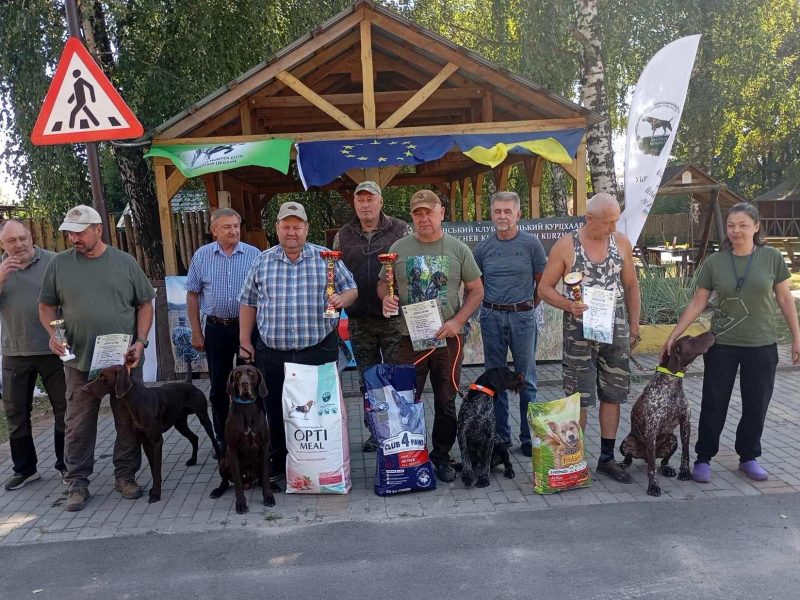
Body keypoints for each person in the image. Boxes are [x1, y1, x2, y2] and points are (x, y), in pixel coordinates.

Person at [662, 202, 800, 483]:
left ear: (756, 227)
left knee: (756, 404)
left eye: (743, 225)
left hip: (762, 344)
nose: (736, 230)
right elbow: (698, 302)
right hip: (722, 343)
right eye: (731, 225)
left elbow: (785, 299)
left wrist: (797, 337)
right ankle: (703, 458)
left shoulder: (771, 257)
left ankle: (748, 457)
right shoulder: (715, 262)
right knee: (714, 401)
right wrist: (675, 334)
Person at [39, 205, 155, 512]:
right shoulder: (59, 265)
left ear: (98, 230)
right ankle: (77, 482)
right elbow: (46, 306)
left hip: (123, 362)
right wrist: (53, 335)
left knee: (128, 420)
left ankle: (126, 476)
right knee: (77, 423)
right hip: (79, 362)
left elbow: (145, 304)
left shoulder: (125, 263)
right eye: (70, 233)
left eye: (79, 232)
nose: (74, 238)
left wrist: (141, 342)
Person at [239, 202, 357, 479]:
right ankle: (280, 464)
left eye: (297, 226)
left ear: (306, 228)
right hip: (272, 353)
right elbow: (248, 303)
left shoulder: (326, 258)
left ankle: (319, 464)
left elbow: (351, 288)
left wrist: (343, 298)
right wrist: (245, 340)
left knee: (317, 413)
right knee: (275, 410)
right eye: (285, 227)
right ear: (277, 229)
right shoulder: (262, 260)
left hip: (316, 351)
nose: (291, 232)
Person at [379, 190, 484, 483]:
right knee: (403, 401)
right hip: (407, 339)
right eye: (418, 213)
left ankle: (441, 456)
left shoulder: (458, 249)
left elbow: (477, 290)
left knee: (445, 401)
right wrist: (385, 299)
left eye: (429, 212)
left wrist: (458, 320)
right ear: (412, 217)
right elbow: (383, 286)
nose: (424, 218)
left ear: (441, 213)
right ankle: (410, 456)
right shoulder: (398, 248)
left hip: (447, 339)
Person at [538, 192, 641, 483]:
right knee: (578, 398)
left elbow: (632, 286)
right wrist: (568, 305)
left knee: (613, 394)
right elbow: (544, 289)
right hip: (579, 333)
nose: (613, 228)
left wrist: (634, 325)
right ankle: (573, 459)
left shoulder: (620, 243)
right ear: (589, 218)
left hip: (616, 330)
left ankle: (607, 459)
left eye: (616, 222)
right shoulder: (566, 246)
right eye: (608, 222)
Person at [333, 181, 410, 452]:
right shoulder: (343, 234)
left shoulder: (400, 229)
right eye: (360, 200)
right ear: (354, 204)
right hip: (358, 320)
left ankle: (399, 428)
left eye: (370, 199)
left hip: (392, 319)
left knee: (394, 376)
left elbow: (409, 268)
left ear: (380, 202)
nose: (365, 204)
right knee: (368, 380)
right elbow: (334, 276)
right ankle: (375, 431)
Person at [473, 191, 547, 458]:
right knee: (494, 377)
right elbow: (477, 285)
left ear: (518, 214)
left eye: (507, 211)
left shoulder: (531, 245)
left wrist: (527, 306)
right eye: (497, 211)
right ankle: (501, 436)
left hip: (523, 317)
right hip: (491, 317)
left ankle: (529, 438)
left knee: (526, 378)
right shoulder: (482, 248)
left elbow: (543, 282)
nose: (502, 216)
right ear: (491, 214)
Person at [0, 219, 67, 490]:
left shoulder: (54, 262)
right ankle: (25, 469)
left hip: (54, 349)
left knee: (65, 410)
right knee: (16, 414)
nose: (18, 245)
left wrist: (64, 341)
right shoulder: (0, 270)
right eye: (11, 241)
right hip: (15, 351)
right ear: (3, 245)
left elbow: (68, 303)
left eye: (22, 238)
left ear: (31, 236)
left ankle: (66, 466)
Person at [185, 208, 260, 452]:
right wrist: (197, 332)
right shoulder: (202, 256)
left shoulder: (253, 255)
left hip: (246, 327)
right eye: (227, 227)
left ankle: (255, 433)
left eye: (236, 226)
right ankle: (223, 438)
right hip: (216, 329)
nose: (234, 231)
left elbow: (264, 294)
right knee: (219, 388)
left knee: (252, 384)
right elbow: (193, 295)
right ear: (214, 230)